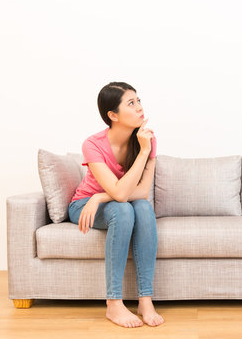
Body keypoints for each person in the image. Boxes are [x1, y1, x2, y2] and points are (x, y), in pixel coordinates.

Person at [68, 82, 164, 328]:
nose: (139, 107)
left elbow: (141, 192)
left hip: (104, 201)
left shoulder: (147, 139)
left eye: (139, 100)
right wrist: (143, 153)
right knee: (123, 209)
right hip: (84, 205)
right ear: (113, 115)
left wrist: (101, 196)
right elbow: (121, 195)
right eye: (131, 103)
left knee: (142, 208)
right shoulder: (92, 144)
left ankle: (145, 299)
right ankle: (113, 304)